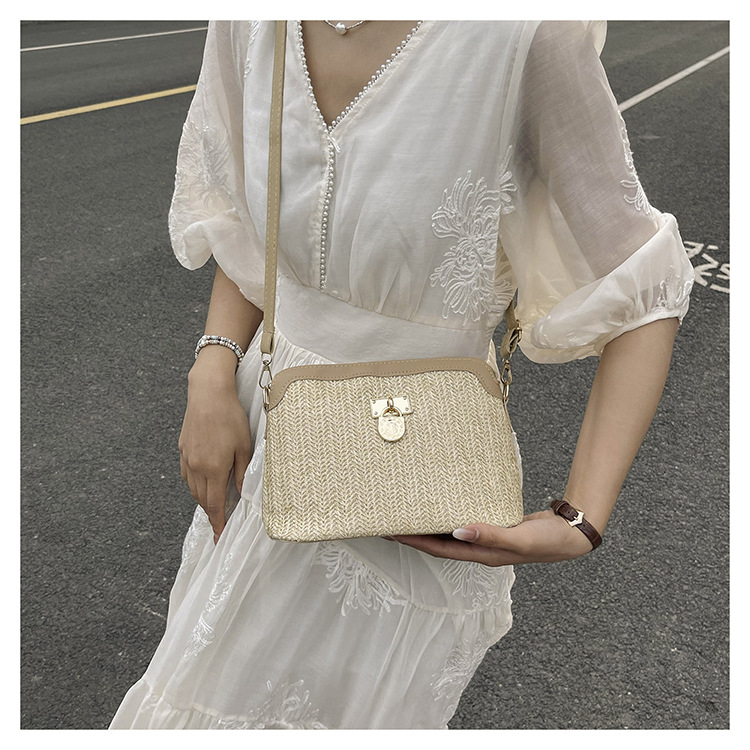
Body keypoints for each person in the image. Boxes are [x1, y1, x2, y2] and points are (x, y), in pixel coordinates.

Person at [110, 20, 695, 729]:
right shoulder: (251, 20)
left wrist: (581, 518)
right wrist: (210, 371)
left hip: (418, 470)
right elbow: (244, 224)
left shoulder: (524, 34)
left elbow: (647, 284)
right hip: (265, 435)